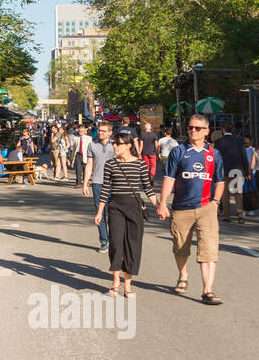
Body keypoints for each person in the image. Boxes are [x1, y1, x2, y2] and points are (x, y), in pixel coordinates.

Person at [157, 114, 225, 305]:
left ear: (206, 131)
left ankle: (208, 290)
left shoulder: (214, 154)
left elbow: (220, 181)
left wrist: (216, 202)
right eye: (190, 128)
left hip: (207, 207)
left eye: (197, 128)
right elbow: (169, 179)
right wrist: (163, 203)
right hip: (181, 208)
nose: (192, 131)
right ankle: (183, 275)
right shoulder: (179, 152)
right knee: (180, 247)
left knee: (209, 249)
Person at [93, 130, 156, 297]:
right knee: (116, 244)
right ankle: (115, 282)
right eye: (114, 143)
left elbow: (147, 188)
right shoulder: (111, 164)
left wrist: (159, 205)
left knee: (133, 245)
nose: (114, 146)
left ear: (128, 146)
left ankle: (128, 284)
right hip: (115, 207)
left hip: (134, 207)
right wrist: (100, 212)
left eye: (117, 143)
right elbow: (105, 189)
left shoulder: (140, 164)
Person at [81, 122, 115, 252]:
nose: (101, 133)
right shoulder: (92, 145)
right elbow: (89, 165)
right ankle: (104, 241)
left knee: (114, 214)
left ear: (110, 132)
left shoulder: (116, 145)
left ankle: (114, 239)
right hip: (98, 182)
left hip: (114, 183)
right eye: (100, 131)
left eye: (104, 131)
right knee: (100, 213)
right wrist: (85, 183)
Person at [216, 124, 248, 225]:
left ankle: (226, 216)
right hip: (237, 170)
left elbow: (216, 158)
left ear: (223, 129)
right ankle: (240, 214)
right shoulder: (239, 141)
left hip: (224, 171)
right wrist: (246, 172)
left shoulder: (219, 142)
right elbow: (244, 157)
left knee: (225, 194)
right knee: (238, 193)